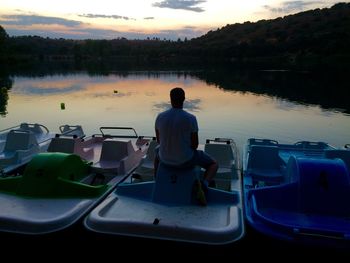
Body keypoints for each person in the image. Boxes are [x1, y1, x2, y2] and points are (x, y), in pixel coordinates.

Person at [154, 87, 218, 190]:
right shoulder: (191, 118)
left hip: (165, 159)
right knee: (213, 164)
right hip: (185, 161)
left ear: (170, 99)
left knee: (157, 150)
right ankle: (205, 184)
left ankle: (156, 179)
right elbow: (194, 145)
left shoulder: (160, 117)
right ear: (184, 99)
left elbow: (159, 141)